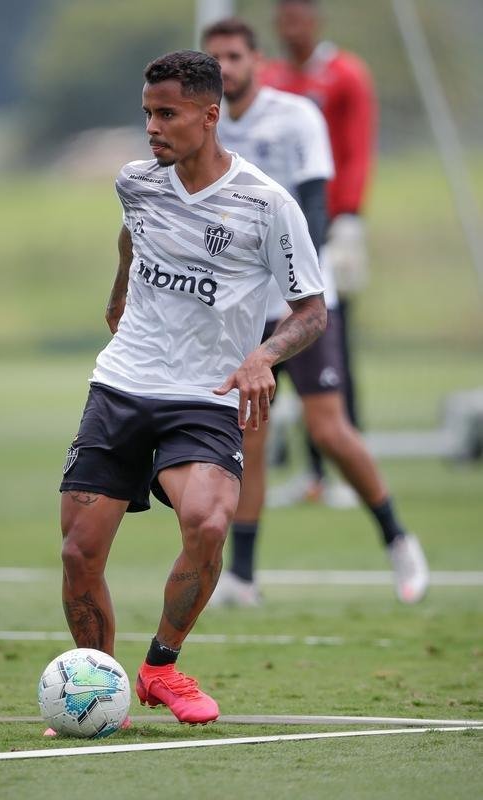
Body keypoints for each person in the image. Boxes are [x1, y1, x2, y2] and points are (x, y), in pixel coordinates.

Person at [58, 49, 327, 727]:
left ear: (209, 116)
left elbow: (311, 310)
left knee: (208, 520)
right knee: (78, 554)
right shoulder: (136, 182)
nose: (151, 126)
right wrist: (119, 295)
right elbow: (133, 236)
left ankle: (160, 668)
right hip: (121, 383)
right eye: (147, 113)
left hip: (204, 394)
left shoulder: (265, 205)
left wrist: (262, 356)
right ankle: (102, 692)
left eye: (166, 114)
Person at [202, 18, 429, 607]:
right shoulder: (207, 123)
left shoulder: (296, 115)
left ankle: (398, 539)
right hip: (240, 310)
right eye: (214, 58)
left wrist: (304, 278)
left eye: (233, 55)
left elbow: (314, 204)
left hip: (297, 303)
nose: (223, 68)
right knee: (248, 434)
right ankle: (244, 577)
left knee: (329, 429)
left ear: (256, 59)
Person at [259, 0, 377, 502]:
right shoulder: (270, 78)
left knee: (332, 344)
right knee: (278, 345)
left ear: (316, 19)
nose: (291, 27)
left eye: (298, 16)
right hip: (279, 235)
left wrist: (343, 217)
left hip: (328, 230)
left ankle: (344, 465)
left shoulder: (345, 75)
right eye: (283, 17)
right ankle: (309, 472)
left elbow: (355, 151)